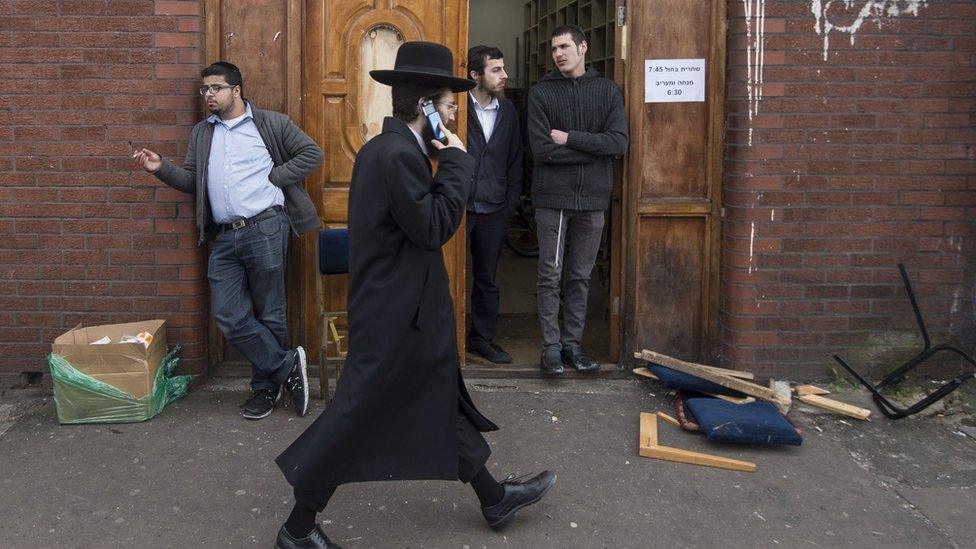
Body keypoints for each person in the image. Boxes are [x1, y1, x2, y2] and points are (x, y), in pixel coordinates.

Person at [273, 42, 555, 549]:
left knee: (438, 396)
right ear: (426, 107)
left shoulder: (394, 150)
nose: (454, 117)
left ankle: (494, 498)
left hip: (407, 311)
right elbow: (433, 227)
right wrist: (455, 162)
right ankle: (297, 527)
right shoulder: (398, 154)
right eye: (449, 107)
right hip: (395, 316)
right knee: (355, 414)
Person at [133, 61, 321, 420]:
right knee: (227, 314)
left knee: (270, 313)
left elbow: (311, 153)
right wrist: (161, 169)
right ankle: (286, 367)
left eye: (216, 88)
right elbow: (192, 180)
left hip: (266, 226)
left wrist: (276, 176)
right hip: (223, 236)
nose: (209, 95)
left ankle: (265, 391)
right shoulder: (203, 133)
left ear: (236, 91)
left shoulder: (271, 123)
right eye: (205, 89)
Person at [527, 25, 628, 376]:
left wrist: (570, 138)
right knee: (550, 275)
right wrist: (593, 149)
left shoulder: (607, 91)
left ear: (583, 47)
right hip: (552, 198)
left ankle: (572, 344)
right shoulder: (541, 94)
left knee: (580, 277)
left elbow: (618, 143)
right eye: (554, 48)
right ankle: (551, 346)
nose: (559, 54)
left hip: (593, 199)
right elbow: (542, 151)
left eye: (565, 46)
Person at [464, 45, 524, 365]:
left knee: (487, 279)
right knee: (446, 274)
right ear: (476, 75)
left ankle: (481, 340)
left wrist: (510, 203)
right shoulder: (455, 107)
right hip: (457, 208)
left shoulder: (509, 111)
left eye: (503, 69)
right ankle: (443, 340)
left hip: (495, 208)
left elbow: (516, 159)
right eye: (496, 70)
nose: (505, 75)